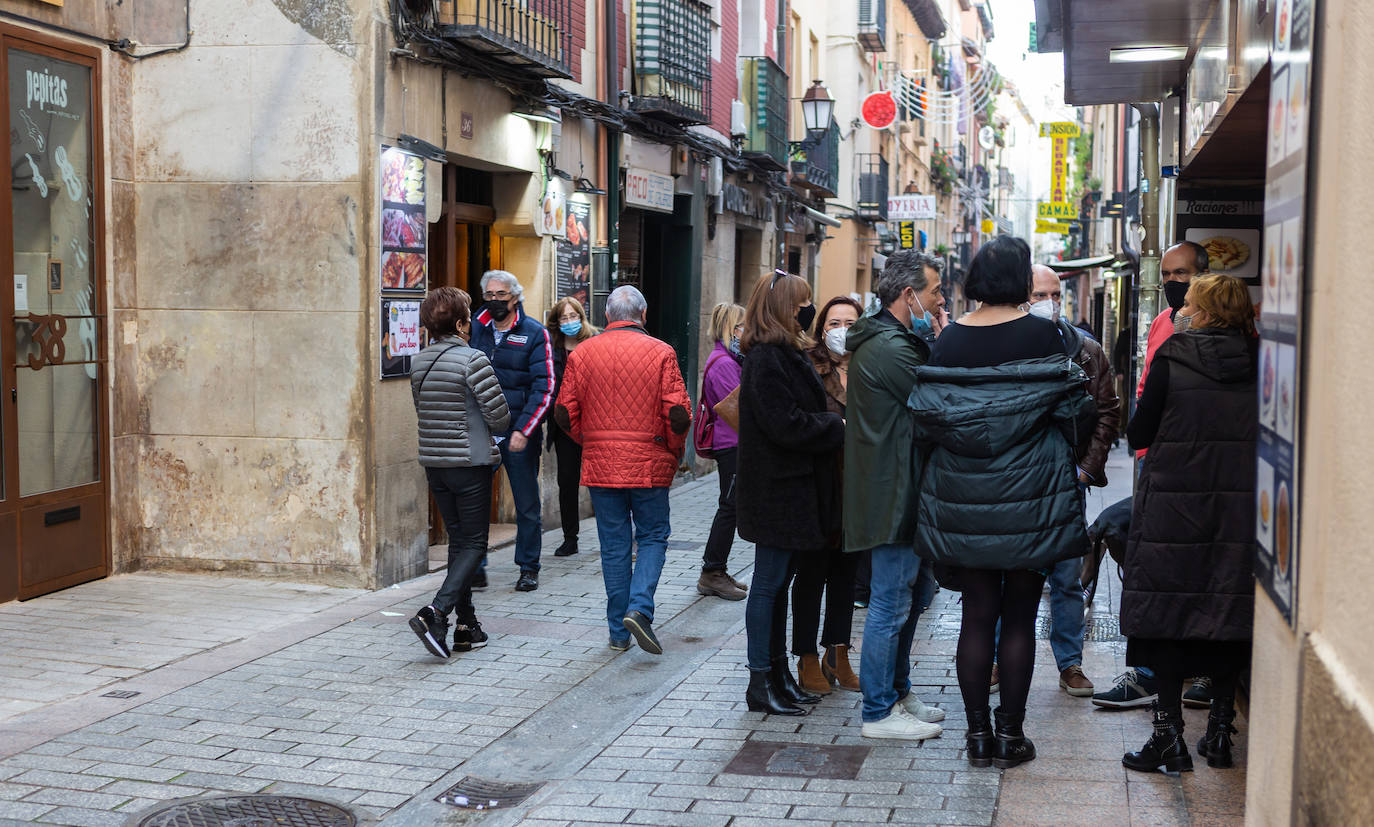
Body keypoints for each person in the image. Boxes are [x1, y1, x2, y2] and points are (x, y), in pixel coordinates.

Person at [909, 235, 1094, 768]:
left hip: (964, 499)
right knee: (1018, 621)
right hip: (1031, 501)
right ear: (1020, 282)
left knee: (975, 618)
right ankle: (1012, 736)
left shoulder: (947, 343)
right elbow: (1075, 414)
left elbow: (928, 424)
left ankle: (976, 737)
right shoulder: (1047, 337)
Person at [1120, 274, 1257, 774]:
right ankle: (1221, 732)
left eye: (1191, 304)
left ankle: (1168, 740)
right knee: (1228, 611)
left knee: (1167, 620)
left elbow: (1138, 430)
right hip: (1240, 511)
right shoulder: (1265, 363)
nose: (1183, 310)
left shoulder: (1174, 357)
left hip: (1174, 511)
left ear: (1202, 312)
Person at [1094, 240, 1213, 710]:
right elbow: (1145, 390)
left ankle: (1205, 670)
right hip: (1156, 463)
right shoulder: (1163, 322)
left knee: (1204, 568)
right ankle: (1148, 672)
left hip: (1203, 468)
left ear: (1203, 274)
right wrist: (1143, 450)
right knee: (1152, 568)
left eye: (1180, 274)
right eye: (1166, 275)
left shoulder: (1232, 332)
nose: (1172, 283)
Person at [845, 250, 948, 741]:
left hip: (904, 486)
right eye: (933, 293)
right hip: (891, 490)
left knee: (913, 594)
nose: (940, 300)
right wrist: (944, 342)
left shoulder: (895, 339)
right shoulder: (889, 347)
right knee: (890, 601)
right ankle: (878, 711)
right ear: (909, 296)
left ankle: (897, 691)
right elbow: (938, 400)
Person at [553, 286, 691, 654]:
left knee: (614, 546)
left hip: (601, 465)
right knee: (653, 536)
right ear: (643, 315)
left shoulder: (582, 353)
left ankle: (618, 632)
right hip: (649, 460)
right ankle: (640, 608)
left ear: (607, 316)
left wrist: (593, 442)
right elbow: (677, 415)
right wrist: (674, 455)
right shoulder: (662, 352)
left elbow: (565, 413)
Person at [735, 270, 844, 716]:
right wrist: (835, 425)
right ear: (783, 307)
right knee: (768, 586)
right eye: (802, 302)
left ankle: (777, 674)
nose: (808, 308)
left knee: (778, 587)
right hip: (776, 492)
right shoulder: (766, 358)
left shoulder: (784, 353)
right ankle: (761, 680)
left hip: (793, 490)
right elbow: (785, 424)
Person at [1025, 264, 1122, 698]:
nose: (1048, 302)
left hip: (1069, 482)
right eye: (1038, 294)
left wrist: (1086, 469)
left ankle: (1070, 663)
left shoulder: (1087, 350)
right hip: (1019, 484)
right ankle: (995, 658)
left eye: (1053, 294)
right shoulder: (1010, 348)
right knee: (1015, 574)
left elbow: (1107, 412)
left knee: (1067, 578)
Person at [407, 287, 511, 658]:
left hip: (436, 465)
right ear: (462, 323)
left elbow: (423, 409)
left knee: (458, 543)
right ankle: (436, 611)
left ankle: (466, 627)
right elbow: (500, 416)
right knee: (474, 544)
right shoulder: (473, 360)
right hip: (471, 465)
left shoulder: (418, 362)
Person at [791, 296, 865, 694]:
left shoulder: (871, 366)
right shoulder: (809, 366)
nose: (842, 330)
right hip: (818, 481)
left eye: (850, 322)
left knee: (846, 574)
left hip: (858, 483)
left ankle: (838, 652)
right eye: (834, 322)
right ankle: (804, 654)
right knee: (811, 573)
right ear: (822, 329)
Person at [469, 270, 553, 592]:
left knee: (526, 505)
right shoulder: (475, 328)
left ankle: (528, 567)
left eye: (500, 295)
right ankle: (475, 566)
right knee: (475, 503)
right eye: (489, 295)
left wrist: (524, 431)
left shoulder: (534, 333)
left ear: (515, 297)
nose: (494, 301)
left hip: (519, 434)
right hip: (482, 433)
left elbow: (544, 389)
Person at [696, 302, 750, 602]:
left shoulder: (730, 359)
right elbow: (740, 409)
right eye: (744, 326)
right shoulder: (725, 364)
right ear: (732, 328)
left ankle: (718, 569)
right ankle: (711, 572)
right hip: (732, 444)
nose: (748, 331)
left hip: (733, 442)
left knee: (731, 506)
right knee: (729, 507)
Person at [546, 297, 599, 558]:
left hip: (595, 424)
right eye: (563, 318)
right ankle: (570, 538)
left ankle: (612, 535)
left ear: (581, 316)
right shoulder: (551, 346)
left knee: (602, 482)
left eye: (573, 316)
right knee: (566, 481)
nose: (569, 322)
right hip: (564, 426)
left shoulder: (595, 343)